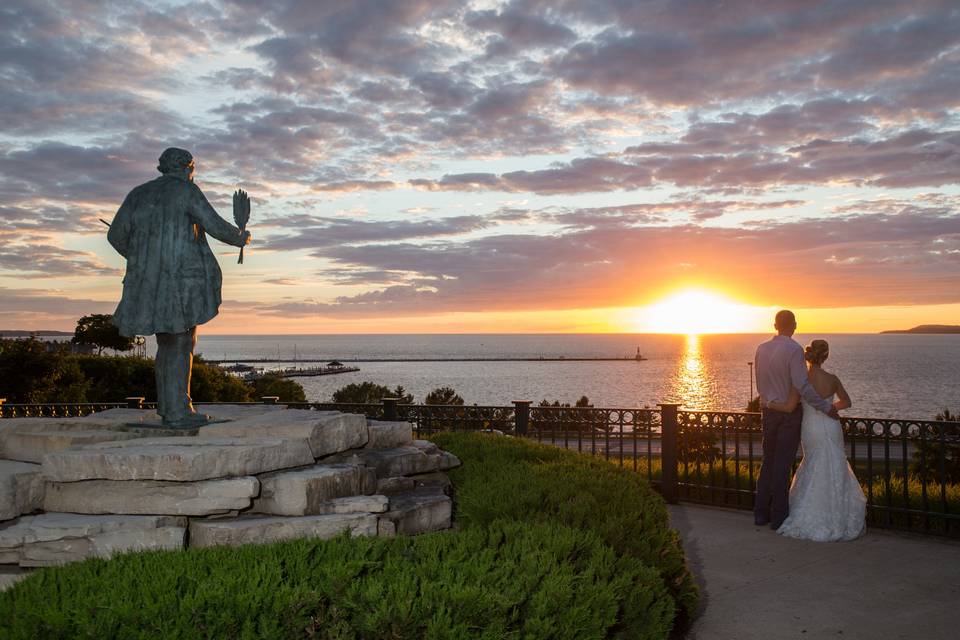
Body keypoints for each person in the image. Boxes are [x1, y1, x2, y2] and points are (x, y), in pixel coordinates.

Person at [108, 147, 251, 427]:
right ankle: (177, 411)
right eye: (192, 169)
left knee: (167, 341)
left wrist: (144, 262)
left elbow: (115, 236)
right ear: (188, 168)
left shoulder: (138, 194)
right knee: (180, 340)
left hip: (151, 282)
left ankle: (170, 406)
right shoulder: (186, 190)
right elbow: (214, 225)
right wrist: (240, 238)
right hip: (181, 280)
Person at [765, 340, 866, 541]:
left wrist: (767, 403)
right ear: (826, 356)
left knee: (813, 463)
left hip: (810, 428)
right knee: (834, 464)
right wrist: (830, 408)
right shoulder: (832, 379)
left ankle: (809, 513)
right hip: (830, 425)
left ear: (809, 356)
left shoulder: (801, 380)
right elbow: (847, 402)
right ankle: (837, 517)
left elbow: (788, 407)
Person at [753, 310, 838, 529]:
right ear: (794, 325)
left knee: (768, 462)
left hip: (769, 411)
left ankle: (761, 514)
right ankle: (779, 518)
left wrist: (769, 401)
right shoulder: (794, 350)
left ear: (775, 325)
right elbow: (801, 385)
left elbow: (760, 383)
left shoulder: (761, 349)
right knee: (782, 465)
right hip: (788, 415)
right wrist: (825, 406)